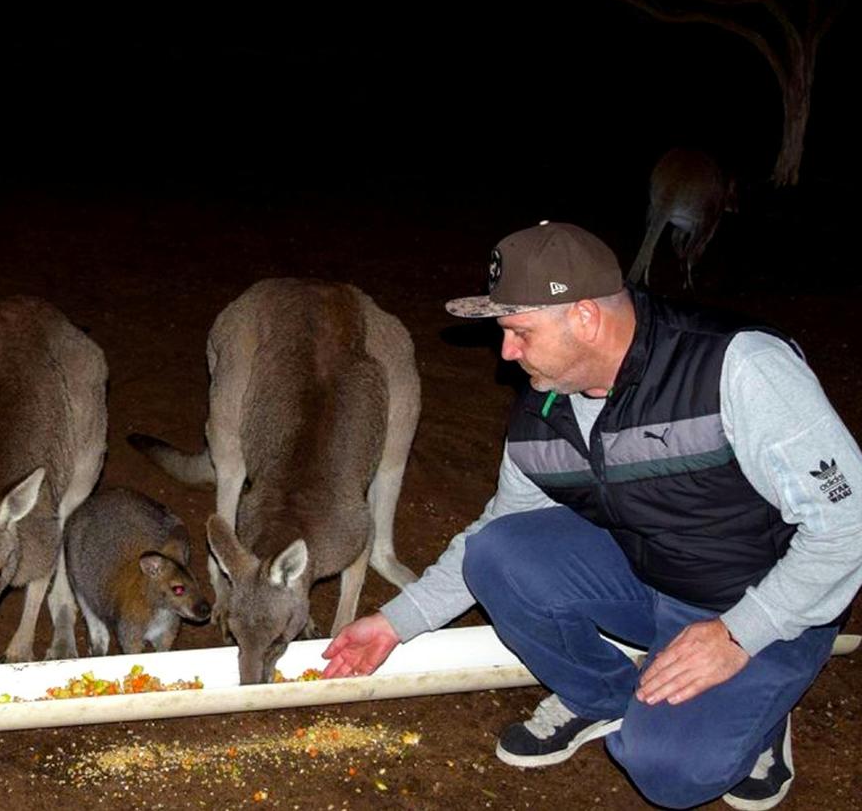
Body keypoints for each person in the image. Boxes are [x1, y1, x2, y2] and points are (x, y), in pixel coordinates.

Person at [322, 220, 862, 810]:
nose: (505, 352)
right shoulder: (544, 408)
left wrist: (740, 632)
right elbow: (499, 529)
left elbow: (849, 522)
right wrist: (397, 621)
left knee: (667, 771)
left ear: (584, 317)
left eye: (519, 331)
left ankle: (759, 714)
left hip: (759, 597)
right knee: (498, 551)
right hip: (650, 574)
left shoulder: (734, 367)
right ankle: (603, 695)